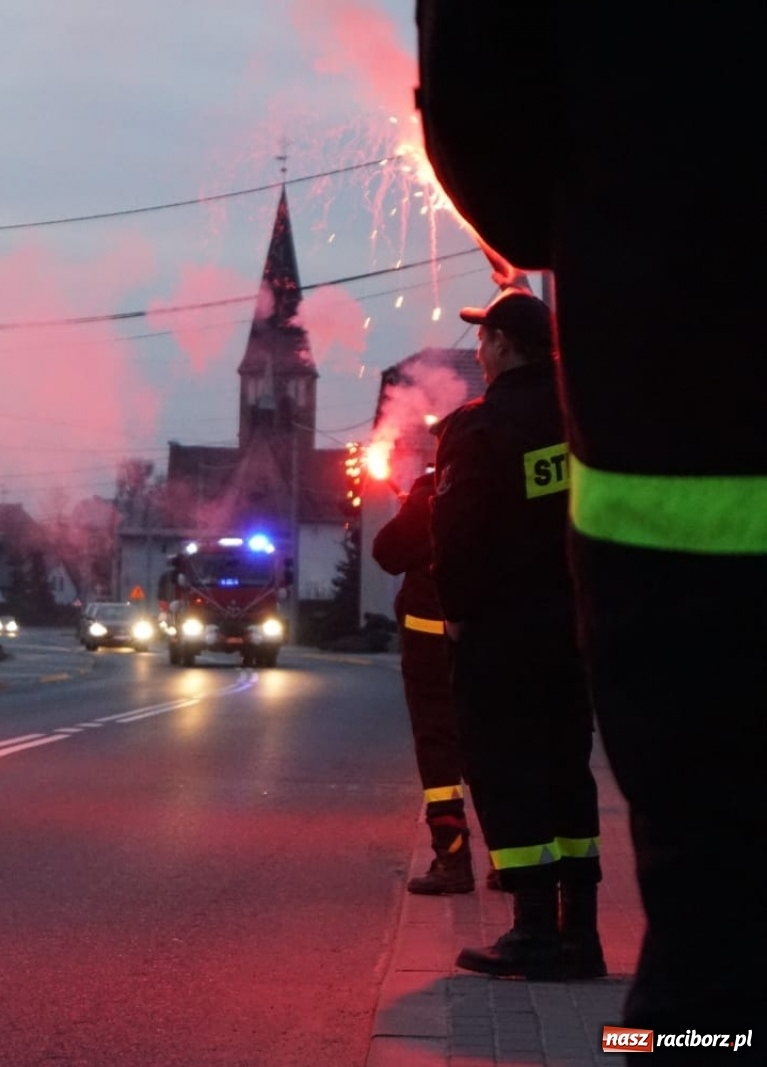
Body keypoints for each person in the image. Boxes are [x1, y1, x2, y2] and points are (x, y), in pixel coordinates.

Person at [416, 7, 763, 1031]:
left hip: (683, 516)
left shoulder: (482, 431)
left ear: (502, 348)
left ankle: (602, 970)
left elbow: (502, 167)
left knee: (708, 949)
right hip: (627, 566)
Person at [429, 288, 603, 981]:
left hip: (502, 633)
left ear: (503, 344)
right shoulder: (583, 420)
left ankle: (532, 930)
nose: (478, 350)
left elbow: (457, 534)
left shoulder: (480, 426)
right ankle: (580, 933)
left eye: (483, 339)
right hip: (575, 630)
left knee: (508, 770)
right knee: (568, 768)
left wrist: (458, 612)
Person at [370, 470, 472, 895]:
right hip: (496, 642)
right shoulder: (506, 482)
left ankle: (452, 856)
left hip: (432, 648)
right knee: (494, 748)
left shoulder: (434, 491)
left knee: (438, 746)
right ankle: (512, 863)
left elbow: (388, 551)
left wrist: (414, 505)